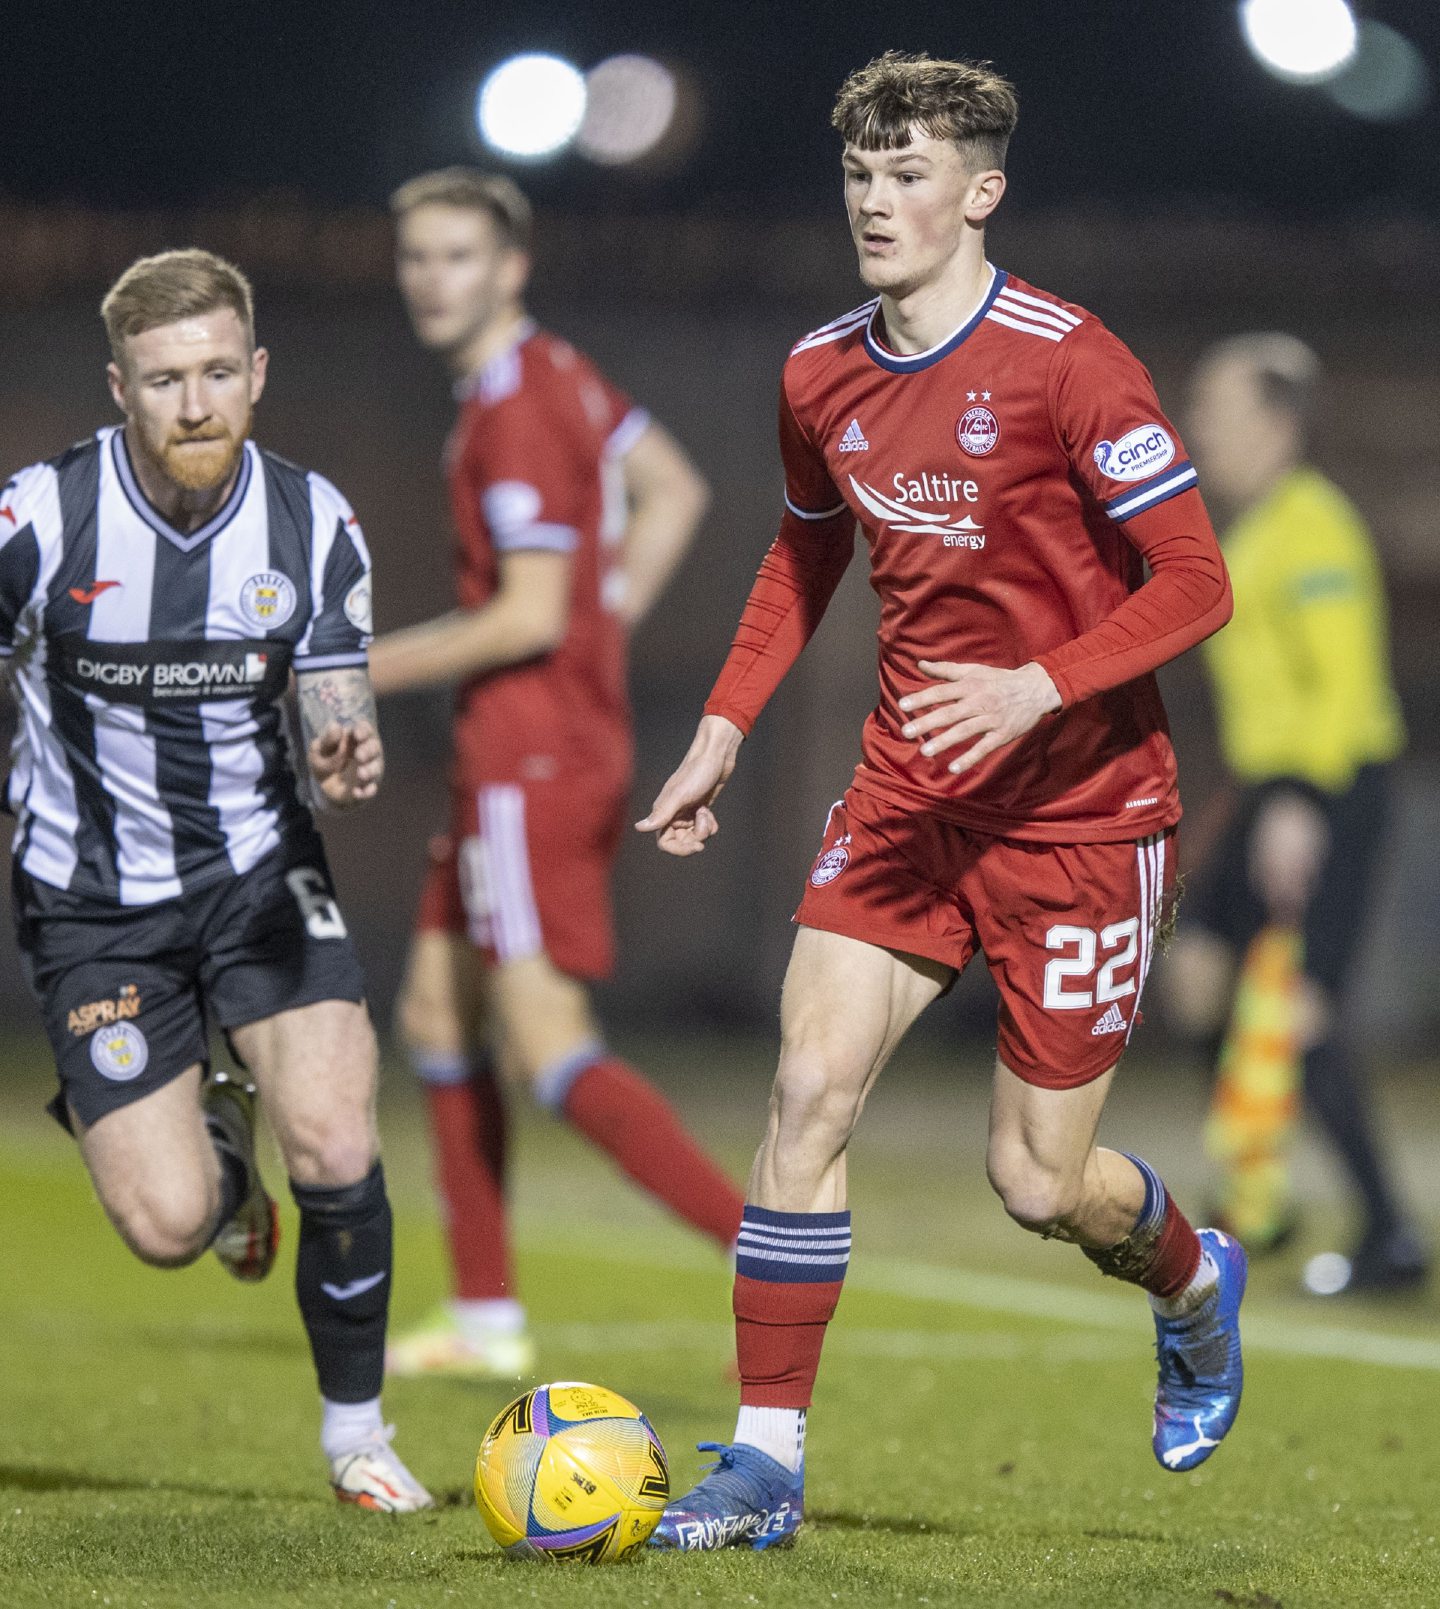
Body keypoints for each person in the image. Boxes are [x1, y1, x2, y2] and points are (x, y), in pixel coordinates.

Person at [636, 52, 1241, 1551]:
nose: (877, 203)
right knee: (806, 1091)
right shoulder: (818, 372)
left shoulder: (1070, 363)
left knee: (1036, 1184)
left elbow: (1198, 582)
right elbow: (801, 555)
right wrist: (722, 722)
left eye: (910, 177)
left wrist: (1041, 686)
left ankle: (1190, 1281)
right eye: (860, 178)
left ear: (981, 194)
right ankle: (765, 1465)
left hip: (1087, 818)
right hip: (911, 796)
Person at [0, 249, 432, 1512]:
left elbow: (335, 690)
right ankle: (210, 1153)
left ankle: (357, 1436)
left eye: (215, 375)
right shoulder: (38, 522)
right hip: (92, 907)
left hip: (259, 875)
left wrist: (349, 742)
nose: (194, 406)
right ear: (119, 389)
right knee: (168, 1227)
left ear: (256, 374)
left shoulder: (312, 521)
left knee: (341, 1137)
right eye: (162, 380)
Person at [369, 169, 745, 1378]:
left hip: (530, 756)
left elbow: (526, 614)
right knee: (435, 1009)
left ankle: (769, 1251)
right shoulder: (558, 375)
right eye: (417, 256)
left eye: (458, 256)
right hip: (530, 744)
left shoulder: (520, 404)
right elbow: (675, 487)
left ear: (510, 266)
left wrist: (352, 667)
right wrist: (611, 609)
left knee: (547, 1043)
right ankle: (486, 1321)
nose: (434, 278)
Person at [1167, 332, 1422, 1295]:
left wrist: (1301, 805)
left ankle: (1393, 1234)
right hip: (1266, 787)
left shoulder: (1316, 528)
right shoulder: (1254, 529)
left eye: (1218, 409)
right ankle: (1256, 1200)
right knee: (1195, 977)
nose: (1200, 427)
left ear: (1278, 424)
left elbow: (1343, 682)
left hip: (1333, 787)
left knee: (1306, 1018)